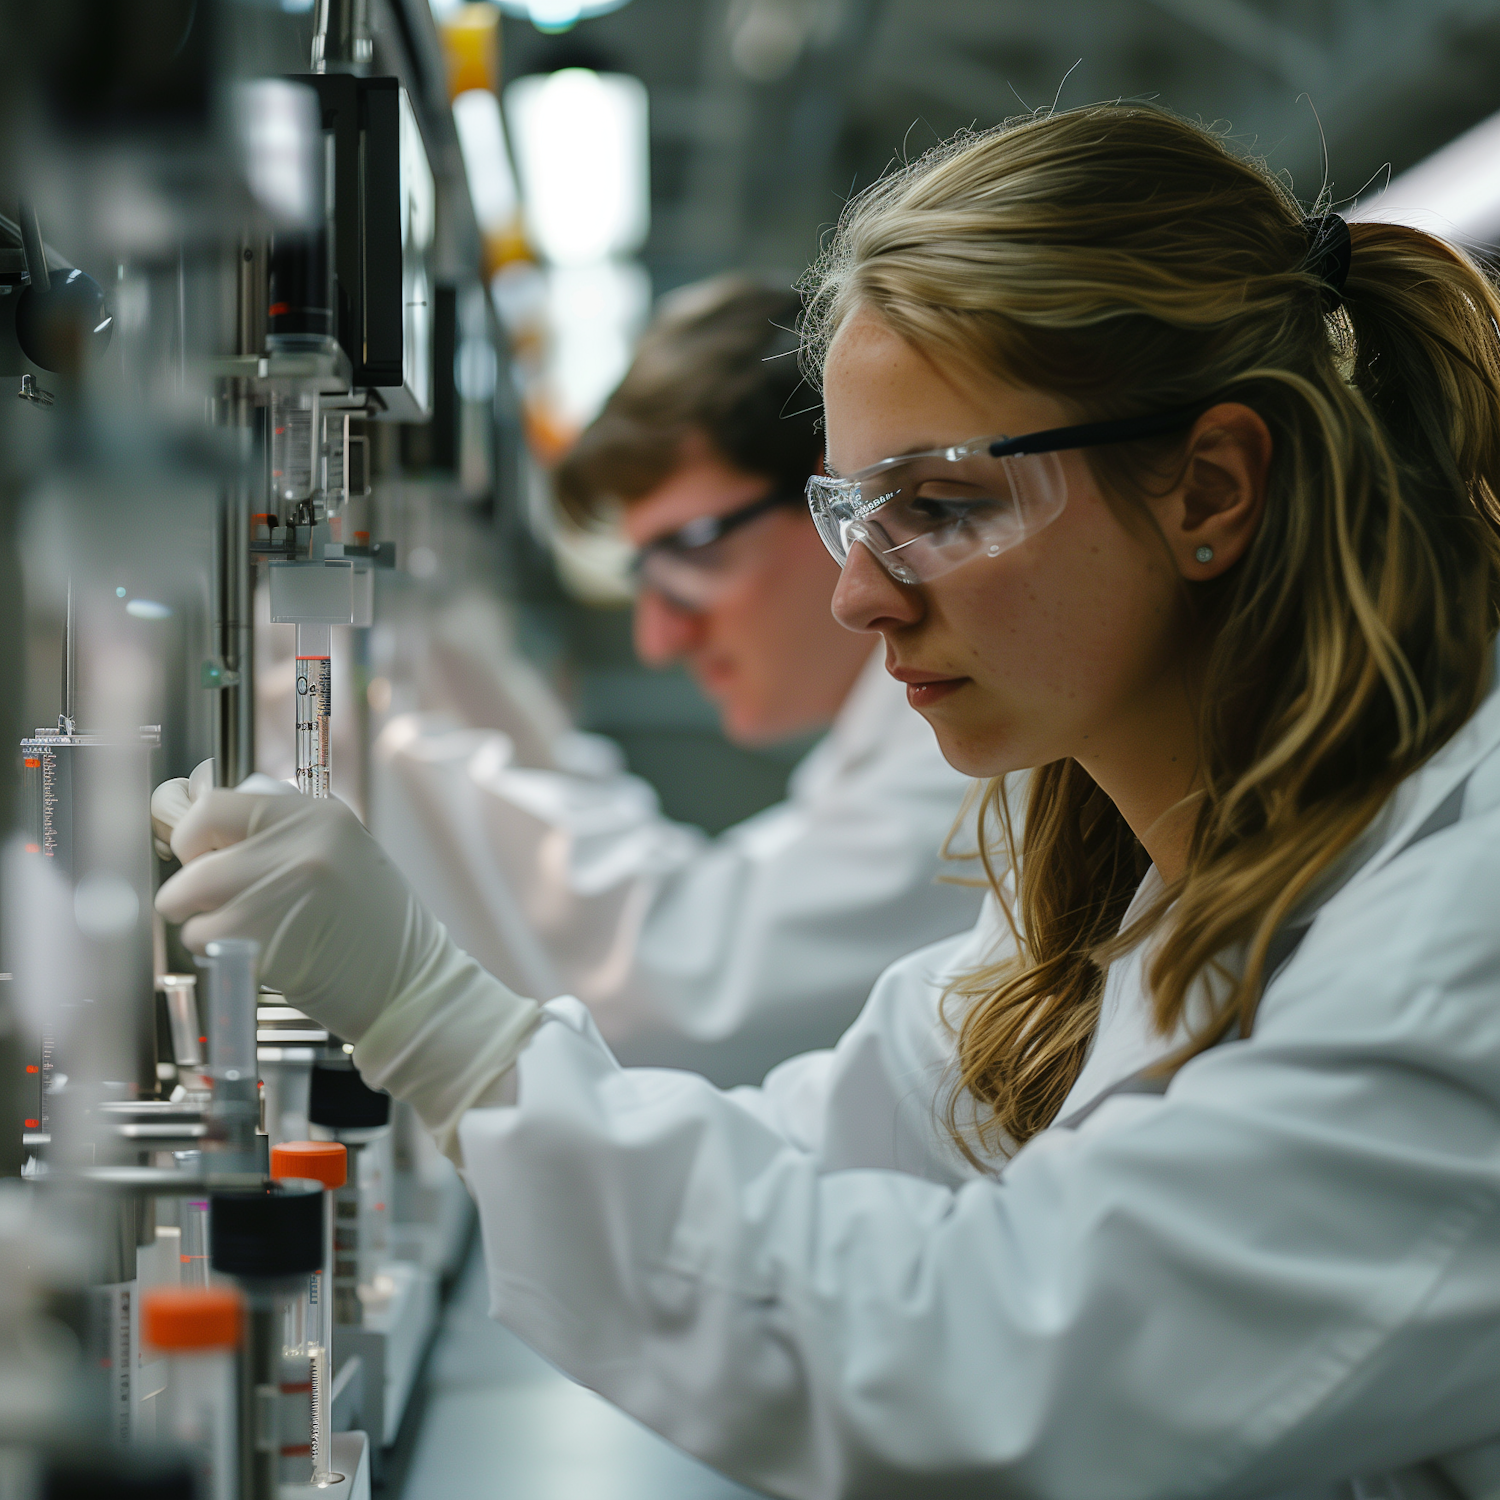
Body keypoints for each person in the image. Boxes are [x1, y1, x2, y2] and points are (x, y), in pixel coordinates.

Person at [154, 101, 1500, 1498]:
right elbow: (821, 1148)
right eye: (853, 511)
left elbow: (985, 1363)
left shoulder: (1459, 935)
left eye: (946, 503)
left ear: (1211, 483)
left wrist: (436, 1020)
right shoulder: (1105, 881)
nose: (861, 594)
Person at [370, 275, 983, 1083]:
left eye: (695, 552)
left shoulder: (976, 757)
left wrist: (369, 748)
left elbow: (686, 987)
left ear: (847, 491)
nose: (660, 639)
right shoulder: (889, 735)